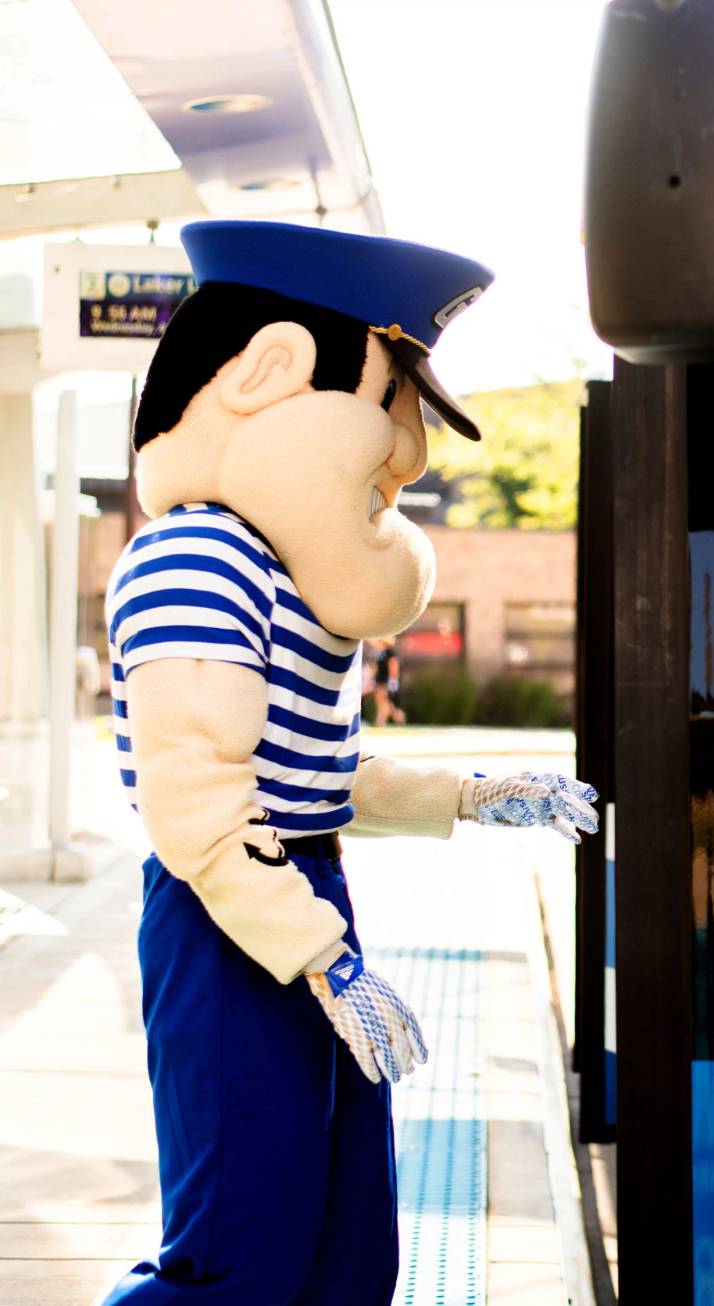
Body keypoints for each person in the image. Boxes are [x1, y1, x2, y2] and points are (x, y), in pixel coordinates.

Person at [102, 220, 600, 1305]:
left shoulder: (269, 567)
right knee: (241, 1252)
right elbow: (203, 815)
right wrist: (326, 960)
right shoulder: (195, 559)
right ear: (268, 373)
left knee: (345, 1238)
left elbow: (311, 771)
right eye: (389, 401)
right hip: (230, 923)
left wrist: (473, 795)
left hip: (295, 902)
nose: (407, 455)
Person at [370, 637, 406, 726]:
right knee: (384, 703)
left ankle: (381, 722)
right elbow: (376, 668)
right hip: (379, 680)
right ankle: (391, 720)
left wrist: (392, 682)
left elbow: (394, 668)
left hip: (386, 681)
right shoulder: (380, 654)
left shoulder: (390, 654)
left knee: (387, 702)